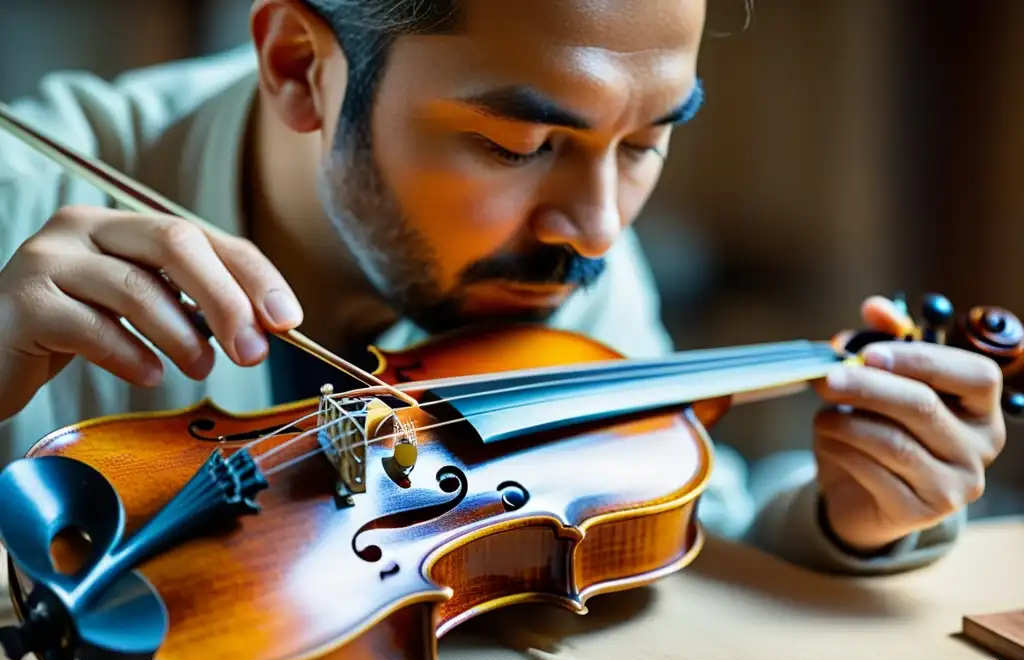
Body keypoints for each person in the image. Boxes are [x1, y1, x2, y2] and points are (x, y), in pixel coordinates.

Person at [0, 0, 1006, 577]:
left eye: (649, 140)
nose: (600, 227)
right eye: (516, 145)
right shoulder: (22, 205)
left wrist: (855, 513)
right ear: (300, 66)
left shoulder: (557, 245)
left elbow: (678, 512)